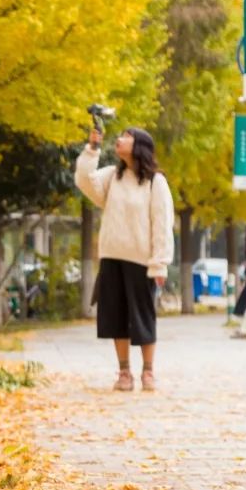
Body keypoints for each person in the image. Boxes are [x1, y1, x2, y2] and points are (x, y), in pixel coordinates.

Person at [76, 126, 175, 392]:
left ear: (140, 145)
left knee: (143, 316)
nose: (119, 140)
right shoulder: (112, 176)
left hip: (142, 261)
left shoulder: (155, 182)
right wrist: (92, 149)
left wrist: (159, 263)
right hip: (111, 257)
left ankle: (148, 372)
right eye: (119, 136)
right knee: (115, 316)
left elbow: (162, 223)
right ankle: (124, 372)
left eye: (126, 137)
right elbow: (85, 182)